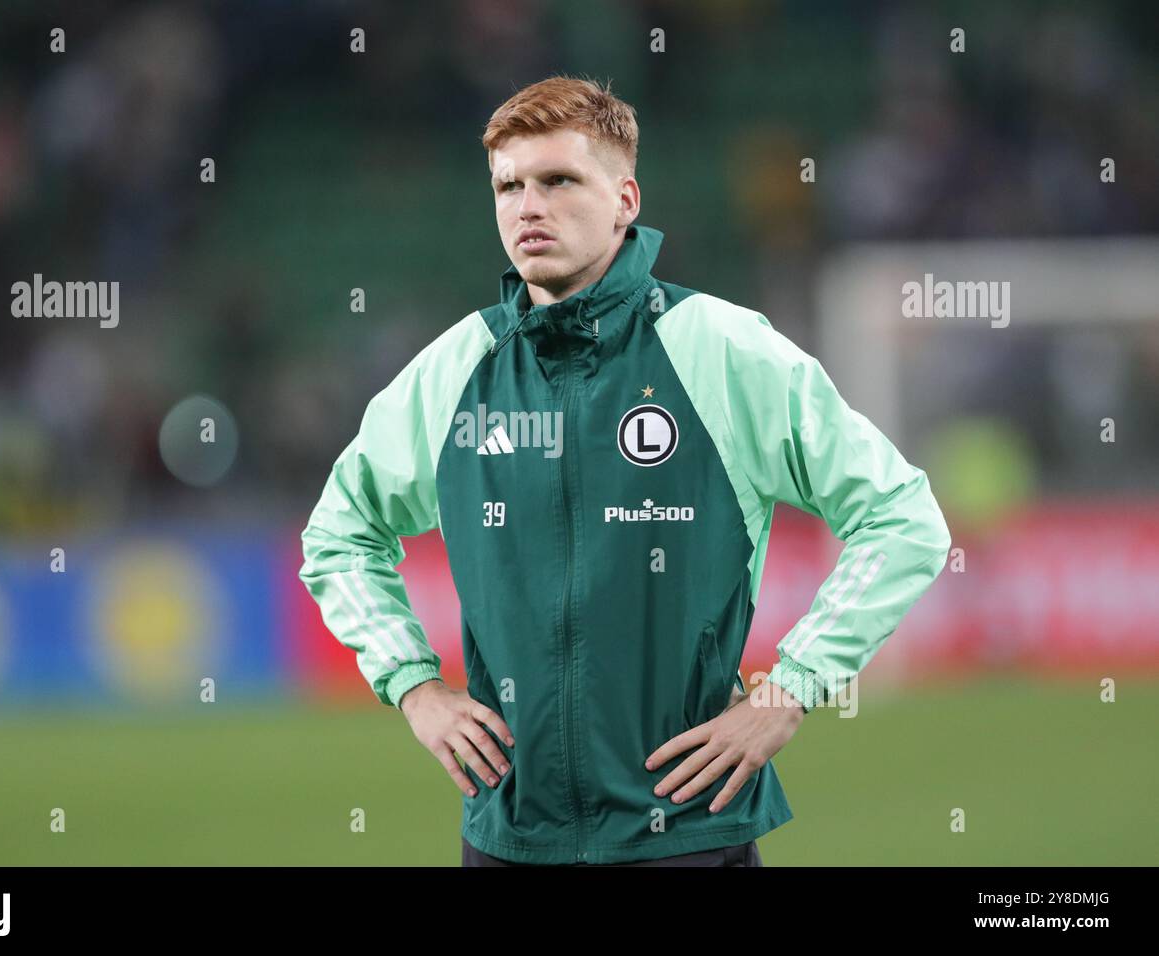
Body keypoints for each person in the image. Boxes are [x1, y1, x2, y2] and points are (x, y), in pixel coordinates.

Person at [299, 75, 951, 866]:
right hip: (509, 837)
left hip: (689, 832)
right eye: (508, 186)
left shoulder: (722, 349)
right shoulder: (455, 371)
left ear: (625, 199)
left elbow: (902, 517)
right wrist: (414, 685)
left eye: (558, 180)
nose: (527, 205)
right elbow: (338, 534)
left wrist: (791, 690)